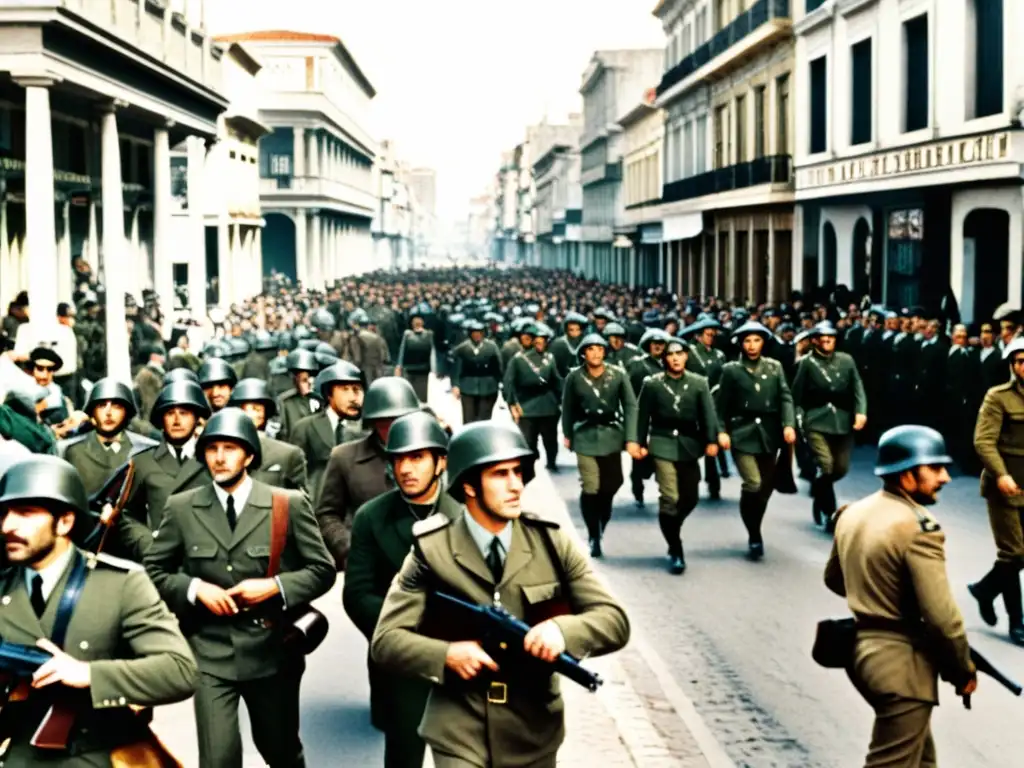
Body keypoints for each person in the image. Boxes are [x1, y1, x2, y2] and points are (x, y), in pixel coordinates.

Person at [370, 421, 630, 768]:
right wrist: (446, 654)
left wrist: (561, 631)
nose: (516, 486)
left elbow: (613, 620)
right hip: (458, 724)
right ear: (469, 486)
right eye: (500, 474)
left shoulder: (552, 543)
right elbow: (386, 641)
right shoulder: (431, 550)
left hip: (533, 727)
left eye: (518, 473)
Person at [144, 408, 335, 768]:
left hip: (272, 650)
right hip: (210, 652)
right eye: (212, 448)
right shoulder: (182, 507)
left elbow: (322, 570)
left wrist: (275, 587)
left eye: (230, 448)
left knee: (279, 750)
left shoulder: (286, 504)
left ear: (249, 455)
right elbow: (154, 569)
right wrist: (194, 587)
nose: (219, 457)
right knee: (218, 759)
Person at [0, 454, 197, 764]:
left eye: (25, 513)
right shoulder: (4, 586)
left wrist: (88, 673)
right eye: (4, 513)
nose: (8, 525)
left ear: (64, 522)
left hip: (96, 751)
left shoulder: (120, 583)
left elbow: (180, 671)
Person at [824, 425, 975, 767]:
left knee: (921, 762)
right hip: (900, 667)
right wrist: (962, 671)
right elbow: (942, 618)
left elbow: (835, 579)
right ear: (908, 474)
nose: (946, 477)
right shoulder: (919, 529)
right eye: (935, 468)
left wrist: (879, 593)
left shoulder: (853, 513)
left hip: (861, 653)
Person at [344, 410, 460, 768]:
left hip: (464, 657)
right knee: (404, 755)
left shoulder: (467, 514)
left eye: (417, 458)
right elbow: (358, 595)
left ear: (440, 463)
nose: (406, 469)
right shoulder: (372, 517)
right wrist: (408, 631)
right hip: (403, 660)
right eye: (398, 459)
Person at [633, 337, 720, 574]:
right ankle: (675, 547)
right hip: (661, 443)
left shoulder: (699, 383)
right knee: (669, 497)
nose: (675, 359)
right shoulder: (652, 384)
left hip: (690, 444)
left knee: (690, 497)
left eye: (679, 354)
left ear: (686, 357)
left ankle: (672, 526)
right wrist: (639, 443)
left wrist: (712, 440)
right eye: (670, 355)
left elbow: (708, 415)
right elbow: (642, 416)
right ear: (664, 359)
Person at [316, 376, 421, 570]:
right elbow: (327, 514)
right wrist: (350, 548)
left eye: (400, 420)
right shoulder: (345, 457)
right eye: (385, 421)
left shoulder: (430, 457)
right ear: (372, 422)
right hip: (369, 566)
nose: (393, 427)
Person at [715, 321, 796, 560]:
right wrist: (721, 431)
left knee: (764, 490)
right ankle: (753, 533)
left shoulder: (774, 367)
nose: (752, 346)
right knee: (753, 483)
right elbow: (721, 406)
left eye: (757, 340)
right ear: (740, 343)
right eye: (747, 341)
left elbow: (785, 397)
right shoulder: (731, 370)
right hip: (742, 432)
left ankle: (755, 526)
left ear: (763, 343)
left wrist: (788, 424)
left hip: (769, 434)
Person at [560, 333, 639, 557]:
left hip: (612, 434)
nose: (596, 353)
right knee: (590, 486)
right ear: (583, 353)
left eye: (600, 349)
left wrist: (631, 437)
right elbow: (567, 407)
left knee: (613, 483)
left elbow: (631, 406)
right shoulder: (574, 377)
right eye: (591, 349)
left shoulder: (618, 375)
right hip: (584, 434)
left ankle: (601, 519)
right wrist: (567, 433)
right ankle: (594, 534)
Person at [968, 336, 1024, 645]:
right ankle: (1018, 623)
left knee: (1017, 557)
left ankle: (984, 589)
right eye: (1019, 361)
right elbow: (983, 441)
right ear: (1012, 366)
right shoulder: (998, 397)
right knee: (1014, 553)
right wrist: (1000, 475)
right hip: (1005, 487)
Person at [122, 379, 212, 561]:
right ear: (161, 419)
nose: (177, 420)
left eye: (184, 413)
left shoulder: (213, 459)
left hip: (207, 559)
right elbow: (127, 514)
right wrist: (146, 543)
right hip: (160, 560)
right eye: (170, 413)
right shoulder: (143, 461)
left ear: (196, 418)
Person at [791, 322, 867, 530]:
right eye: (822, 339)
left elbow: (857, 387)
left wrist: (861, 411)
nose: (826, 343)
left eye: (830, 339)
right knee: (826, 465)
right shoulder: (807, 363)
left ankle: (819, 488)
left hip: (842, 420)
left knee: (840, 468)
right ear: (815, 341)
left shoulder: (846, 361)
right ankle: (829, 511)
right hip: (816, 420)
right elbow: (796, 394)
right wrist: (798, 419)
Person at [59, 378, 158, 495]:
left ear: (127, 412)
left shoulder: (146, 451)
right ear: (92, 412)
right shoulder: (70, 451)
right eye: (101, 405)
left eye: (116, 406)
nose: (108, 412)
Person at [228, 378, 309, 494]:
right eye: (243, 409)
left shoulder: (286, 453)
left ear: (266, 412)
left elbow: (300, 500)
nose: (249, 415)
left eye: (256, 409)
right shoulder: (221, 450)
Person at [504, 322, 562, 471]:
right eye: (537, 340)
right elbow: (509, 382)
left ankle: (551, 461)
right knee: (529, 439)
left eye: (543, 340)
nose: (540, 344)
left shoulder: (550, 358)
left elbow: (557, 381)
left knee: (550, 438)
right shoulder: (518, 359)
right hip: (526, 405)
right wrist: (512, 404)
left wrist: (563, 400)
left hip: (549, 405)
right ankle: (528, 465)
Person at [449, 319, 503, 424]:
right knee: (468, 418)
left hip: (488, 386)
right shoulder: (463, 348)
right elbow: (456, 368)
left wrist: (499, 382)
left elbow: (498, 366)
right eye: (474, 332)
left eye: (480, 332)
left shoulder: (491, 347)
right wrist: (455, 385)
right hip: (467, 385)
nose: (477, 335)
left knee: (484, 417)